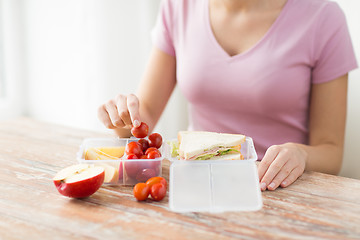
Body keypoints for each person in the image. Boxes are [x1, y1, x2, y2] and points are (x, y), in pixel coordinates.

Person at [97, 0, 358, 191]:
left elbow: (331, 152)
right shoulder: (179, 6)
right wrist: (123, 118)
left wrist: (301, 155)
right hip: (196, 184)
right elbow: (145, 119)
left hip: (277, 187)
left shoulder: (323, 16)